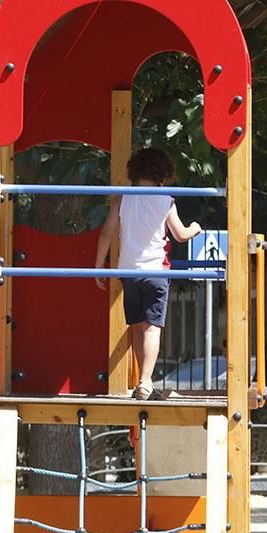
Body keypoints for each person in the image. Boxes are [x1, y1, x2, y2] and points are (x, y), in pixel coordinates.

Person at [94, 147, 203, 400]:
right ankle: (145, 381)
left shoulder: (122, 197)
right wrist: (195, 228)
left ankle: (143, 382)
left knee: (136, 326)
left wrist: (98, 266)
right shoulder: (165, 199)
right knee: (152, 328)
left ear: (134, 172)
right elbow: (180, 235)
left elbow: (107, 234)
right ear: (163, 176)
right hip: (156, 271)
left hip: (128, 272)